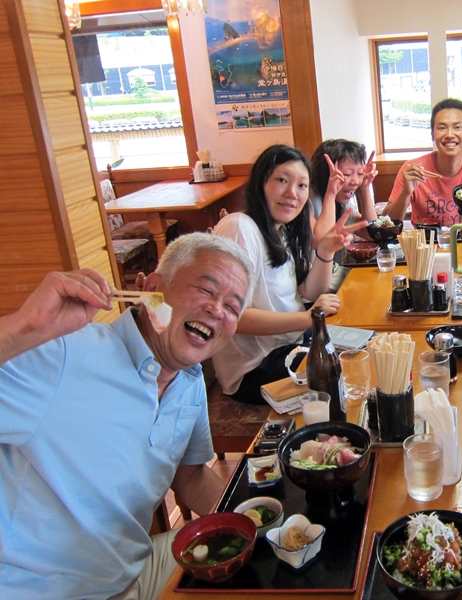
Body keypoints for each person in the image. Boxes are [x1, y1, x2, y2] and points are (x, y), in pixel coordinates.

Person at [0, 233, 255, 600]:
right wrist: (26, 326)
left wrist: (253, 523)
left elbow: (191, 477)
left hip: (136, 570)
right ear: (152, 288)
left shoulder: (188, 378)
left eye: (232, 307)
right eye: (205, 289)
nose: (217, 310)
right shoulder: (65, 352)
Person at [212, 144, 364, 403]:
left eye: (302, 186)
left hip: (292, 346)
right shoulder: (239, 227)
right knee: (354, 374)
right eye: (281, 180)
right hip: (256, 369)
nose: (292, 193)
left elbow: (308, 292)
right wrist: (307, 319)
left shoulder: (281, 230)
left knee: (364, 349)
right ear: (261, 182)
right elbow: (235, 317)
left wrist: (325, 251)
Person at [383, 98, 462, 226]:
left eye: (457, 127)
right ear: (433, 135)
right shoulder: (414, 170)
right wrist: (406, 193)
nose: (450, 134)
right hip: (428, 244)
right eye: (442, 128)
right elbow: (385, 223)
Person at [309, 139, 378, 288]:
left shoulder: (345, 199)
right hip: (314, 286)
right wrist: (331, 193)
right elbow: (320, 241)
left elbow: (371, 232)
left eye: (359, 173)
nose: (355, 181)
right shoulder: (307, 200)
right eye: (347, 174)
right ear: (325, 174)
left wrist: (364, 188)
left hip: (338, 276)